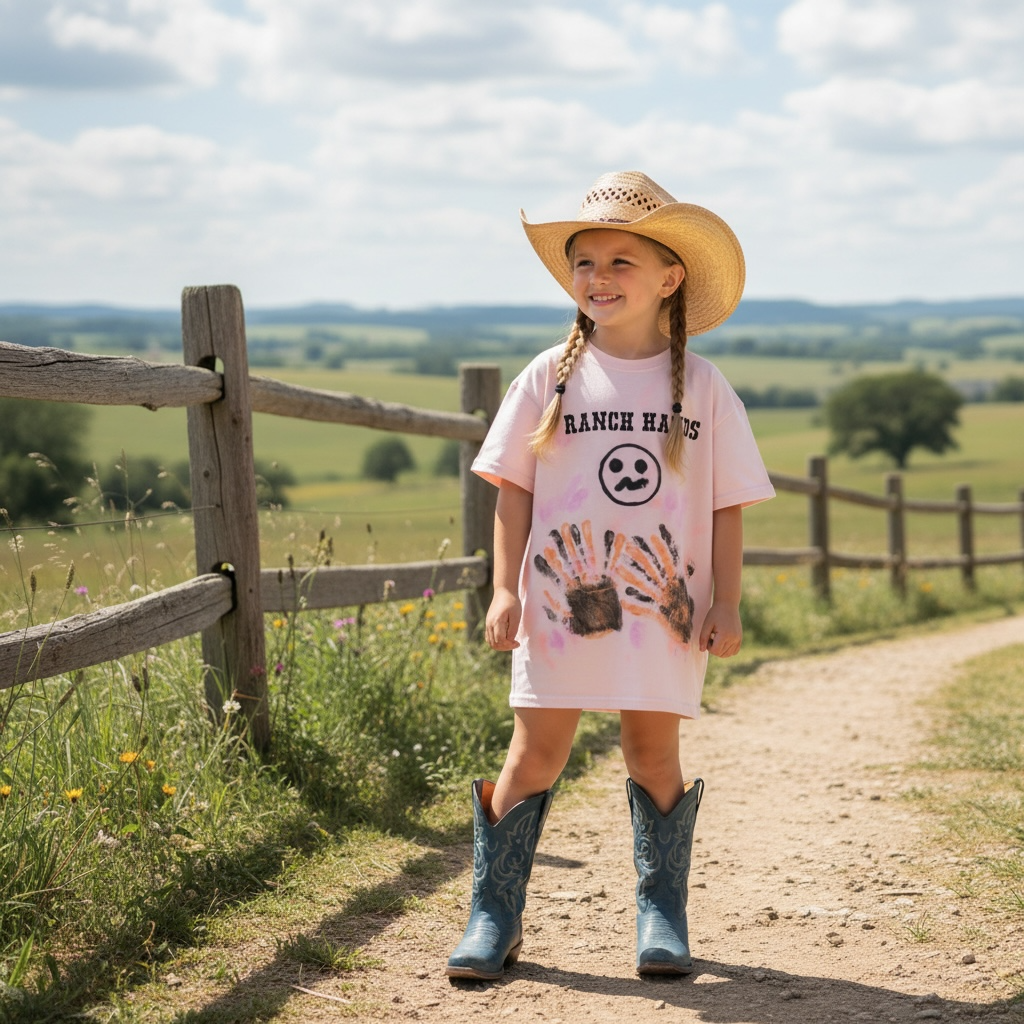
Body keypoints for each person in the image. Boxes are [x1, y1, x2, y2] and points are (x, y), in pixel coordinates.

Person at [446, 170, 775, 981]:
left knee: (651, 755)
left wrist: (727, 598)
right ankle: (494, 914)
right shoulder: (546, 377)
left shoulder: (703, 387)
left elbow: (727, 504)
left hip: (662, 607)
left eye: (621, 261)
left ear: (671, 278)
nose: (598, 277)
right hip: (559, 607)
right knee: (534, 753)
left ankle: (662, 913)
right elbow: (512, 492)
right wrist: (505, 589)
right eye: (584, 261)